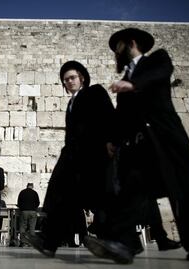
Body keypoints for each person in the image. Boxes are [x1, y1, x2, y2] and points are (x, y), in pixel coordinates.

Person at [84, 28, 189, 263]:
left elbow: (161, 73)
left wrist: (133, 85)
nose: (115, 54)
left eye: (118, 48)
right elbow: (122, 117)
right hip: (139, 147)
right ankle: (124, 245)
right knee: (130, 192)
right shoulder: (125, 81)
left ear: (131, 43)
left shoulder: (156, 60)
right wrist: (113, 140)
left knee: (181, 193)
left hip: (165, 140)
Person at [25, 61, 116, 257]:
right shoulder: (71, 103)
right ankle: (49, 243)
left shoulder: (95, 92)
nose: (69, 82)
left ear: (82, 77)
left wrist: (111, 141)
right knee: (62, 196)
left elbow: (109, 116)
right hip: (73, 155)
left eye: (72, 77)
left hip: (94, 153)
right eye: (65, 80)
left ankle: (112, 241)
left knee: (100, 196)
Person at [17, 183, 40, 247]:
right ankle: (31, 243)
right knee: (32, 228)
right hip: (33, 211)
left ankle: (23, 242)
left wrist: (22, 208)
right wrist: (34, 208)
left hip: (24, 211)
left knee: (22, 227)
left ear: (26, 186)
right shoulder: (35, 193)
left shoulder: (22, 192)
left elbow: (19, 202)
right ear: (32, 186)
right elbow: (38, 202)